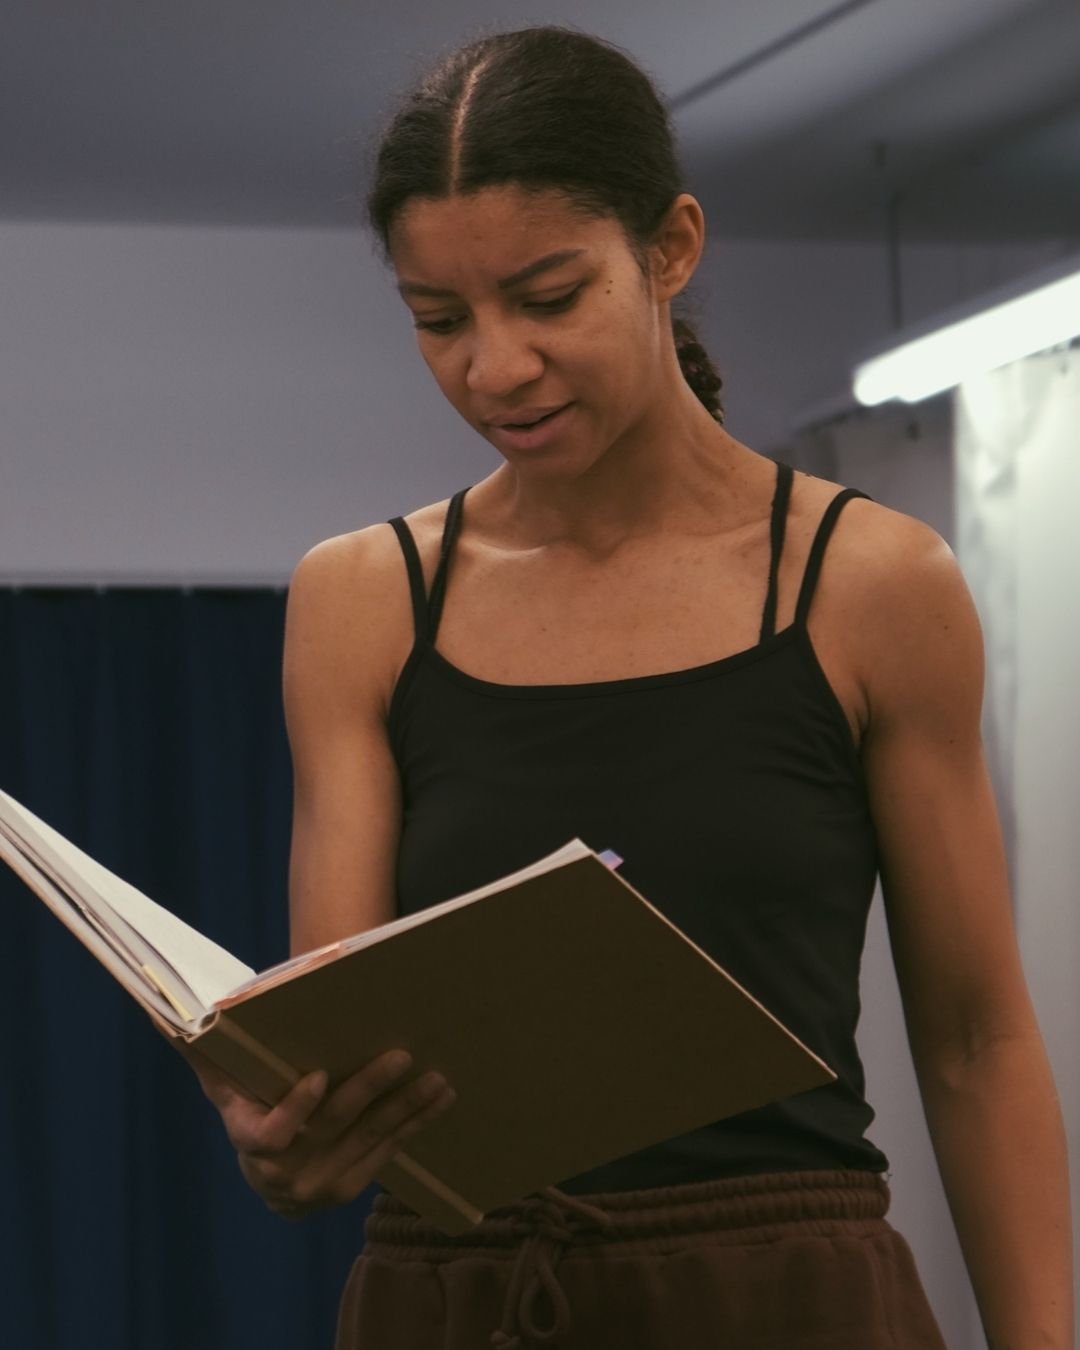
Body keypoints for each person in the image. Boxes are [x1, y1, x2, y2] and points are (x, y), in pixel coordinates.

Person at [184, 23, 1073, 1350]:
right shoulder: (362, 597)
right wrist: (288, 1140)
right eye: (439, 319)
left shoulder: (870, 582)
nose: (493, 368)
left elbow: (975, 1044)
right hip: (462, 1295)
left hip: (785, 1297)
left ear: (670, 248)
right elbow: (351, 1041)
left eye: (548, 298)